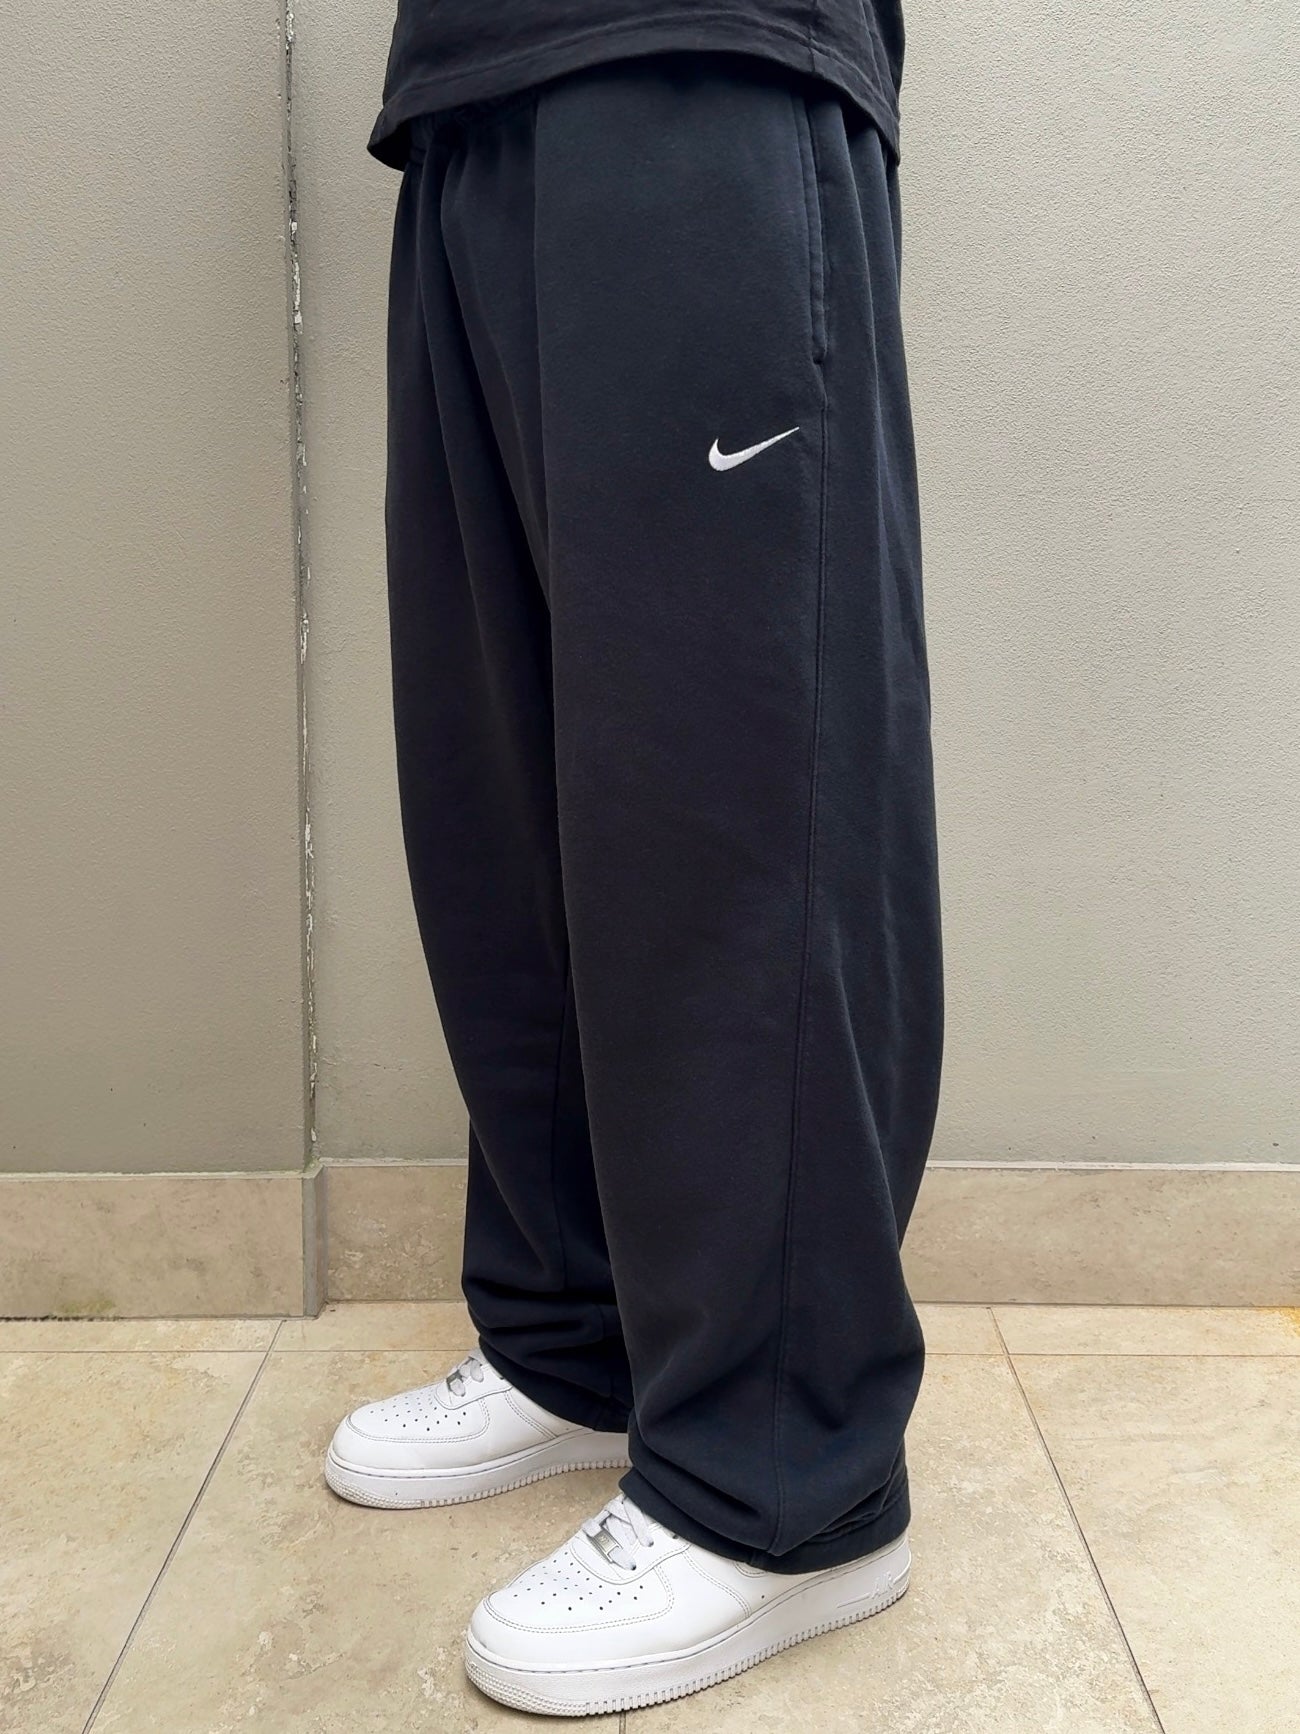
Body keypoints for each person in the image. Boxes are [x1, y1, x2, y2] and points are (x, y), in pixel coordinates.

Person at [325, 0, 944, 1715]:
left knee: (731, 788)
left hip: (708, 56)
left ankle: (788, 1475)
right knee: (506, 795)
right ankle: (575, 1334)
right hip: (468, 93)